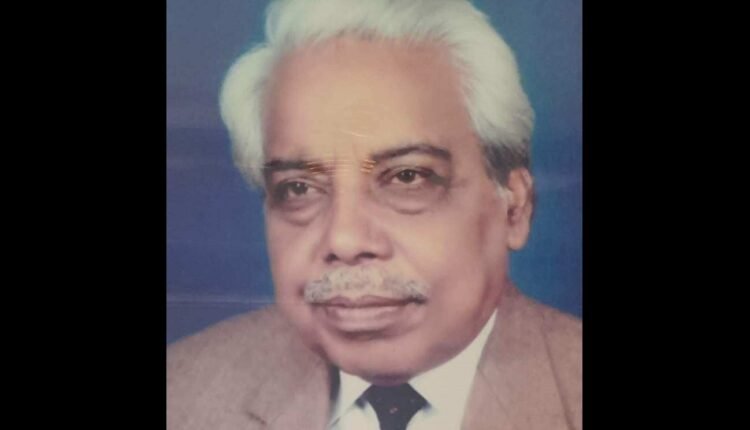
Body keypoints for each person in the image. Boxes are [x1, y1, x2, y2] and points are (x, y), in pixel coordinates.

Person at [167, 0, 581, 429]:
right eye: (299, 187)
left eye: (406, 177)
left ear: (514, 207)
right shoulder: (180, 395)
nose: (344, 240)